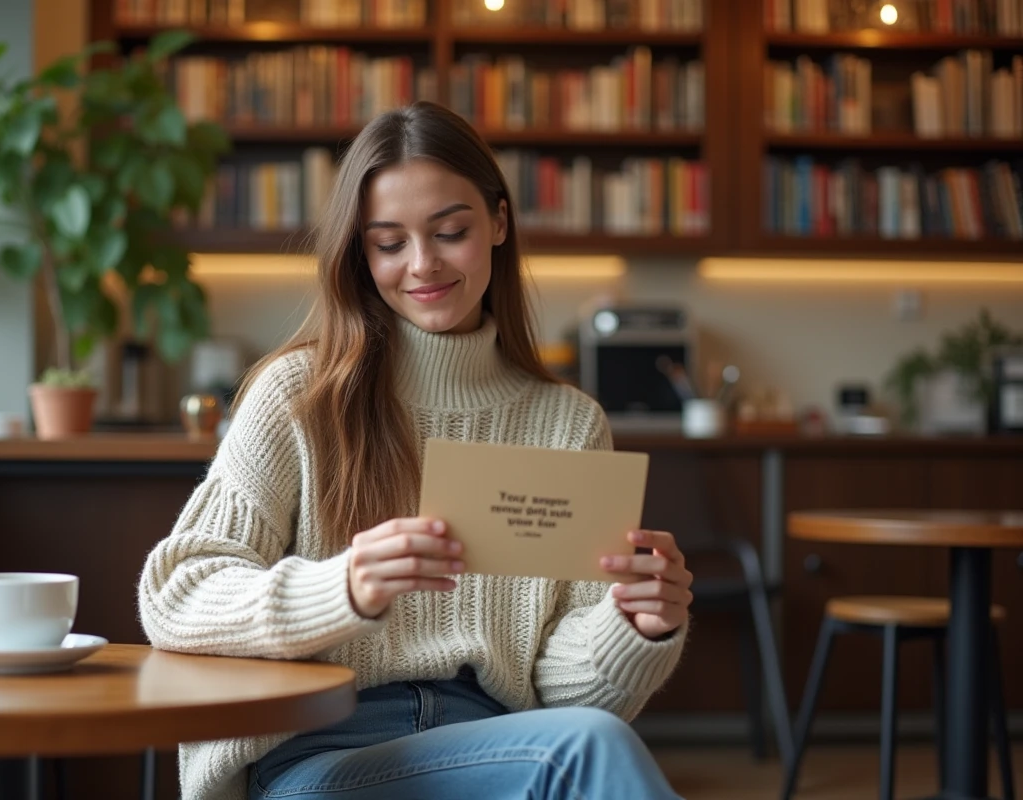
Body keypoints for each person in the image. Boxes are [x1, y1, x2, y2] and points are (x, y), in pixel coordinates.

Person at [139, 100, 694, 800]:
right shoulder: (296, 395)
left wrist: (633, 625)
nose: (422, 264)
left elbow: (563, 687)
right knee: (584, 752)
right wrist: (341, 589)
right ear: (359, 253)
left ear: (497, 222)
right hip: (322, 755)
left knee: (583, 744)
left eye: (450, 232)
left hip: (500, 748)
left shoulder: (567, 422)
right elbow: (176, 596)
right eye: (388, 243)